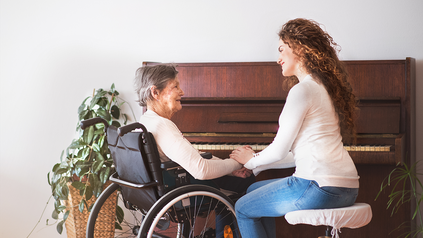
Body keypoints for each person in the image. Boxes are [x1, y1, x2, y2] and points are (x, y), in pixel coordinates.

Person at [229, 18, 360, 238]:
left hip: (318, 187)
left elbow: (280, 150)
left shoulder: (302, 90)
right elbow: (297, 155)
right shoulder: (323, 88)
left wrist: (250, 159)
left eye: (282, 50)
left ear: (298, 49)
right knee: (253, 191)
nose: (278, 58)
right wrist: (255, 168)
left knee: (242, 208)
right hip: (347, 189)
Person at [133, 63, 255, 237]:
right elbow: (201, 169)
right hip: (181, 191)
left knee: (230, 180)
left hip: (164, 188)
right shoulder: (163, 126)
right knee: (247, 183)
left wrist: (229, 168)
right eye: (175, 86)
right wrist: (236, 164)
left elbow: (193, 157)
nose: (182, 92)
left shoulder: (146, 121)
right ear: (155, 92)